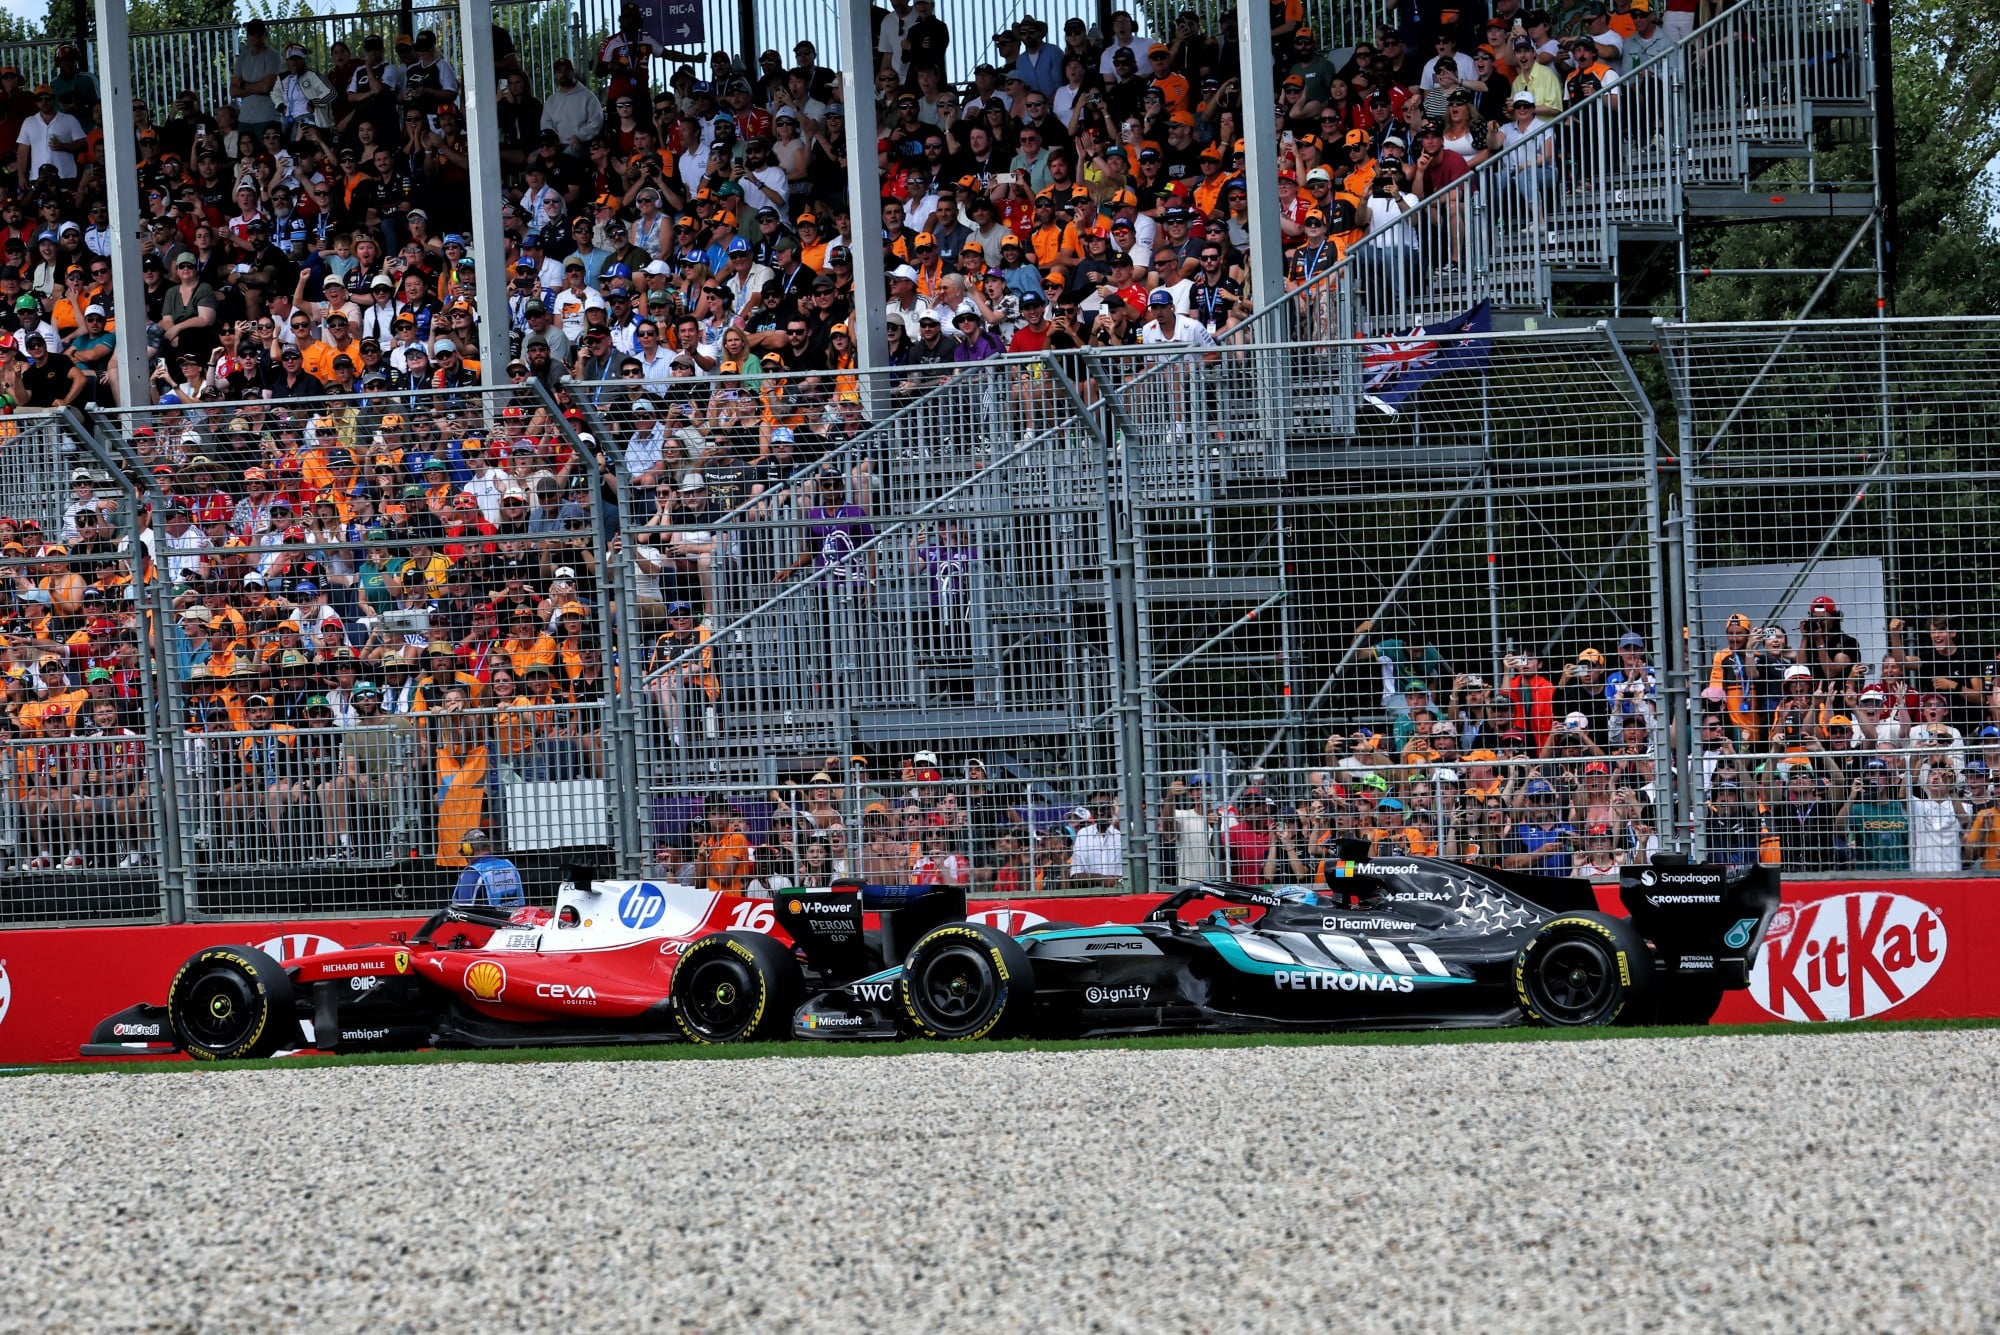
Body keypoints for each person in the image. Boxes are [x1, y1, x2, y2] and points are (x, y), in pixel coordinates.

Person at [449, 827, 526, 907]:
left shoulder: (472, 873)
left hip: (487, 919)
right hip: (513, 918)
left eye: (463, 852)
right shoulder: (509, 866)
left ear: (468, 850)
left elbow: (462, 910)